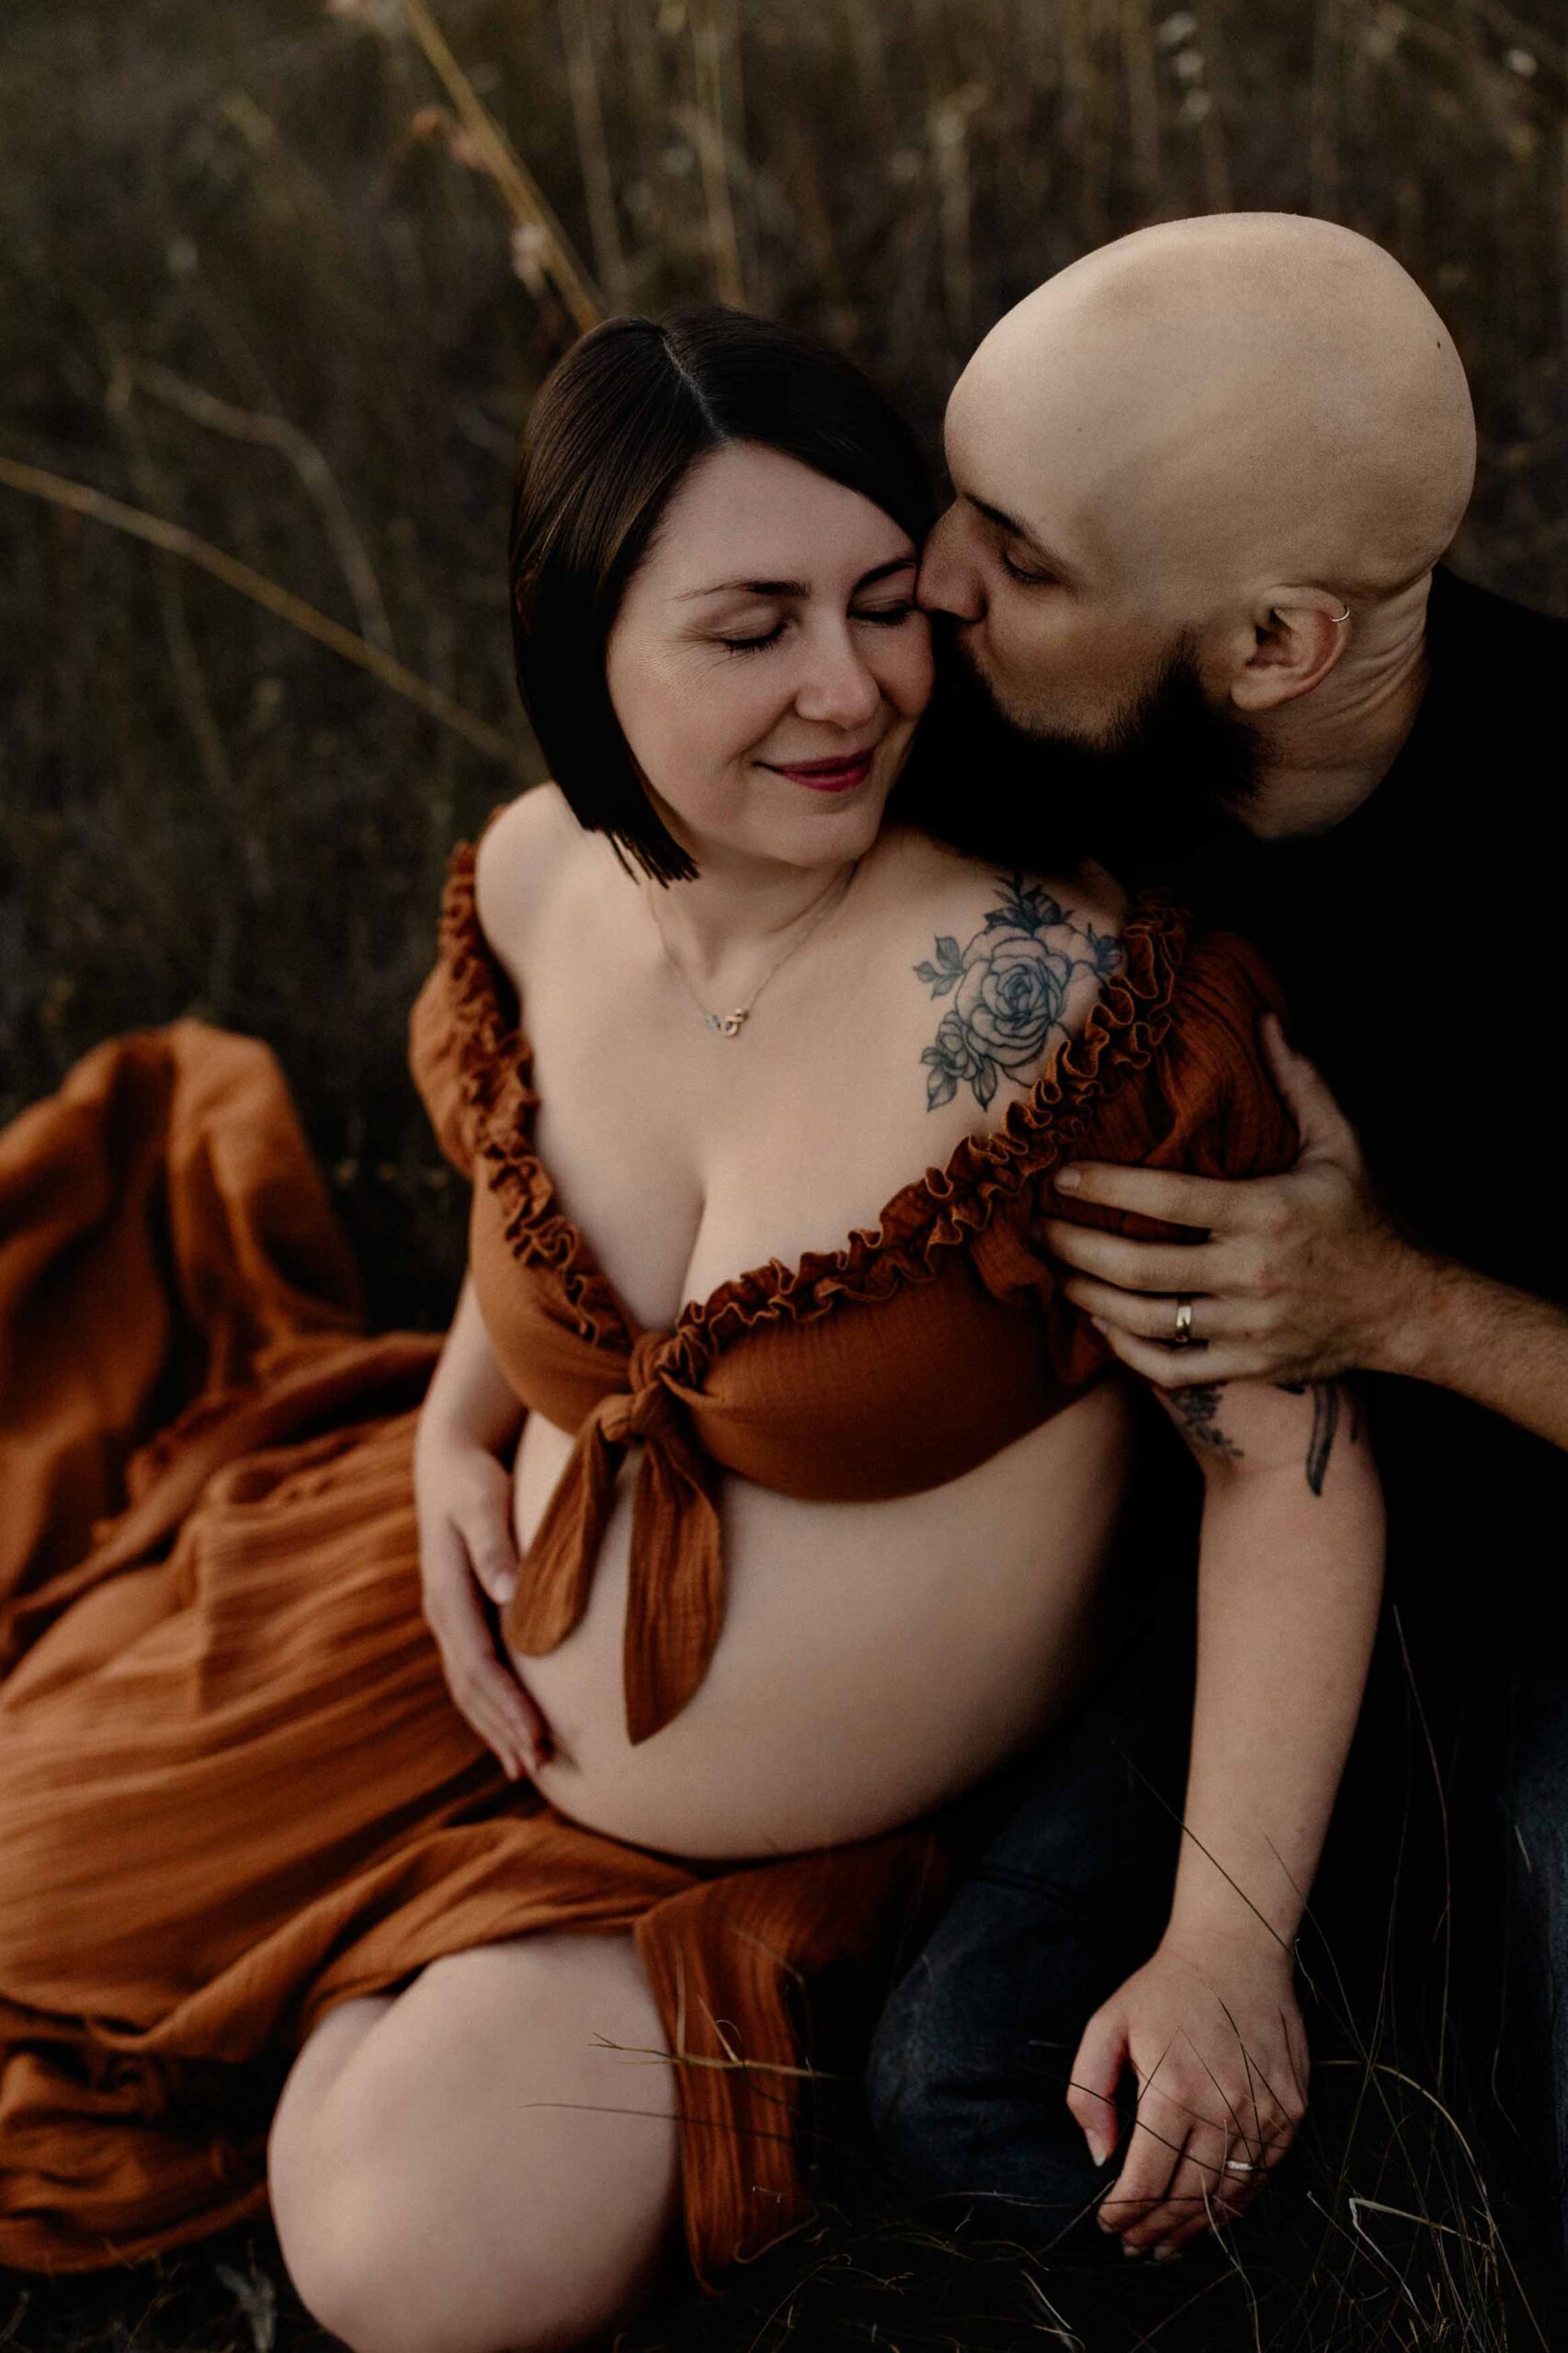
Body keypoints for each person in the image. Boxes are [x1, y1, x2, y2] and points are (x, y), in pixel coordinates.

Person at [0, 304, 1382, 2353]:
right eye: (752, 629)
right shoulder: (540, 879)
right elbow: (527, 1210)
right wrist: (453, 1431)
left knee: (397, 2252)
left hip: (793, 1855)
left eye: (885, 606)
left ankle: (482, 2019)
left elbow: (1285, 1470)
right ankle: (384, 1951)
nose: (849, 688)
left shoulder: (1055, 1008)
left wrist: (1222, 1945)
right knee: (26, 1884)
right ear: (582, 647)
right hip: (456, 1659)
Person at [872, 209, 1568, 2299]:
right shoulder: (1016, 715)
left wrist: (1402, 1306)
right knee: (960, 2085)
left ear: (1273, 645)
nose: (934, 579)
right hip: (1251, 1580)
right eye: (957, 502)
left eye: (1022, 556)